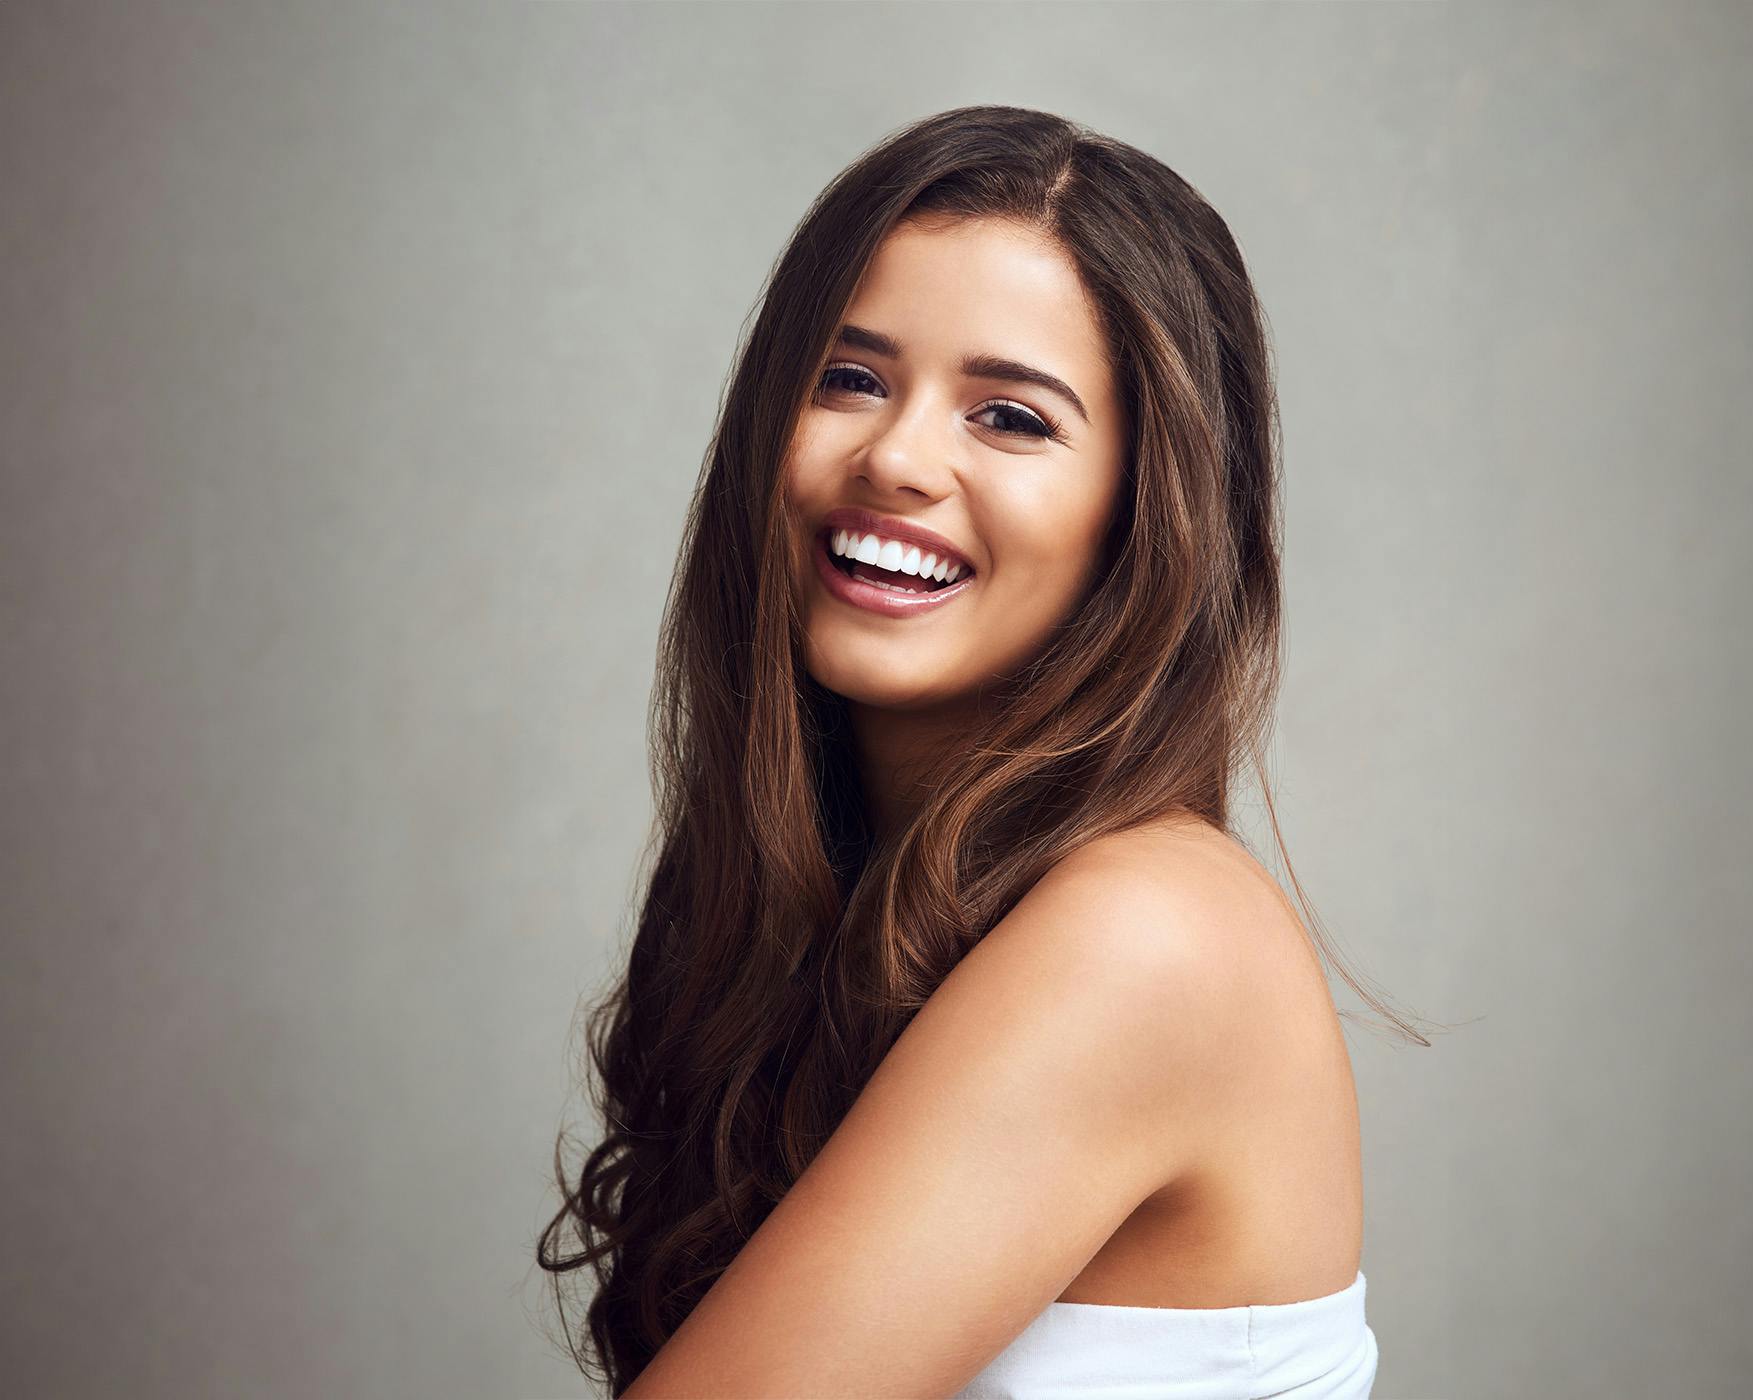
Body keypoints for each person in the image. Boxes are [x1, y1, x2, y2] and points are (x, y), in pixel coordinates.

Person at [537, 103, 1430, 1399]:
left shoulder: (1146, 937)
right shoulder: (842, 903)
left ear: (1144, 515)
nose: (896, 457)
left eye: (1010, 418)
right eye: (850, 378)